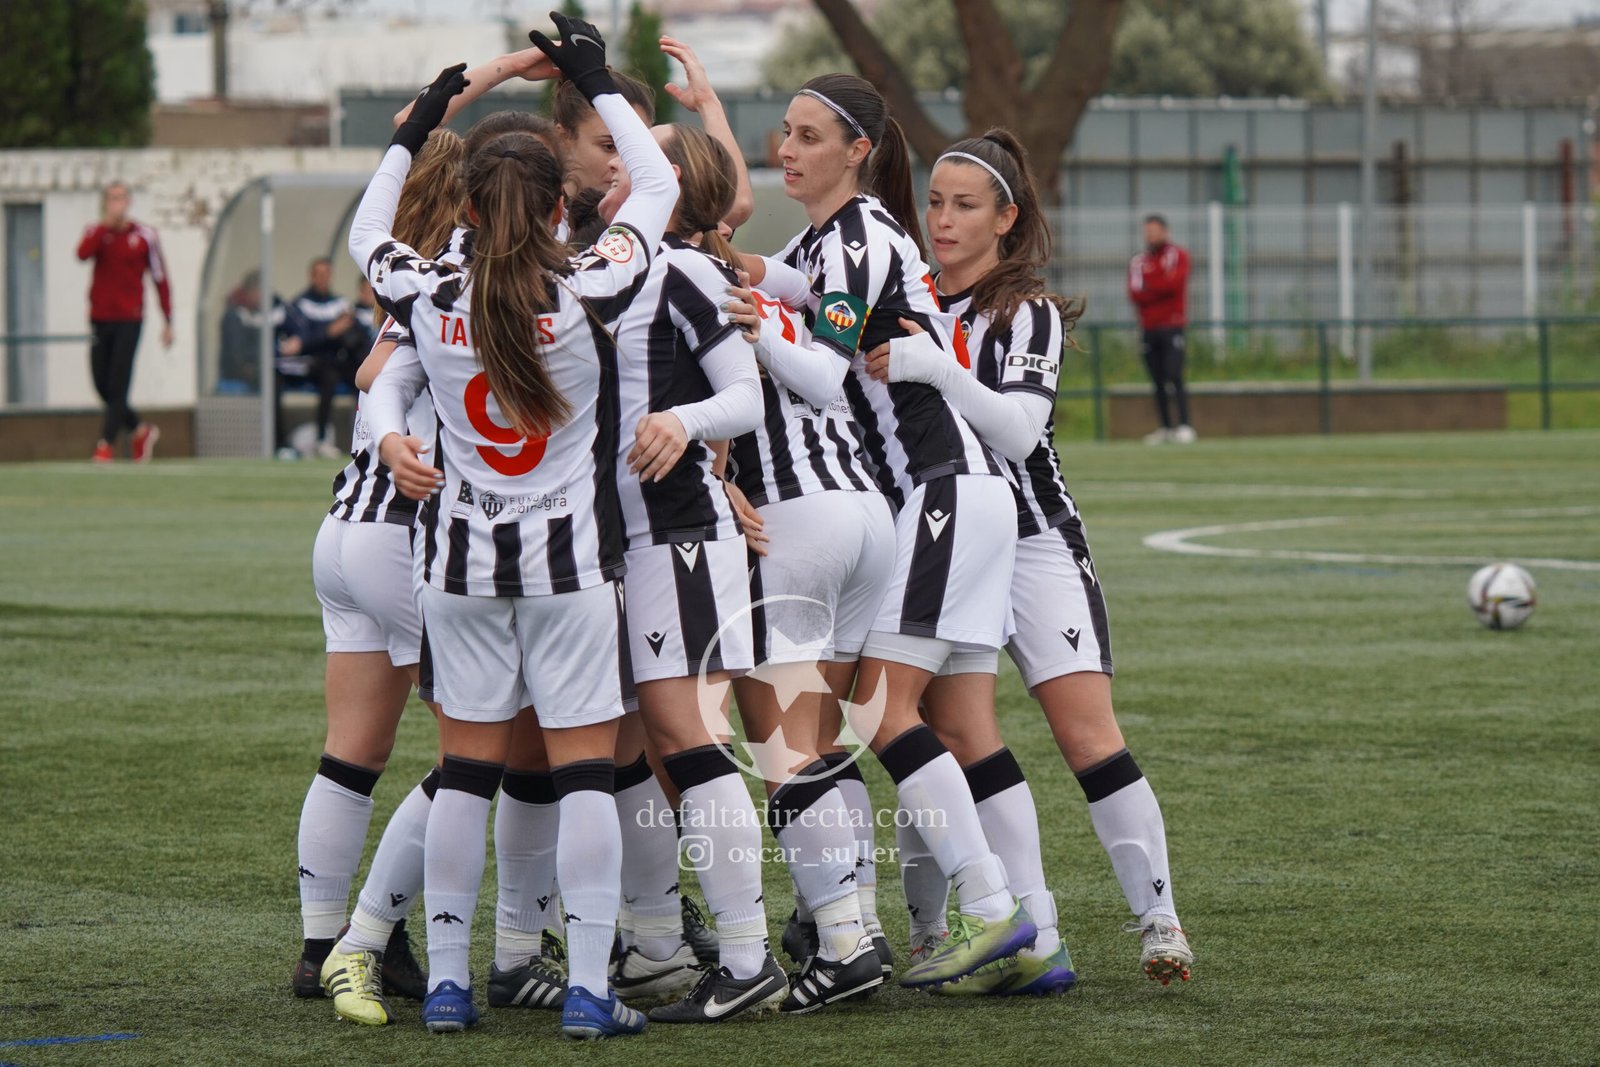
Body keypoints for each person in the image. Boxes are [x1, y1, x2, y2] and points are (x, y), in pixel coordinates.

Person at [340, 15, 679, 1040]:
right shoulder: (588, 287)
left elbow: (366, 234)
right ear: (559, 202)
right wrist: (593, 79)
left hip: (457, 564)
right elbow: (658, 188)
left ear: (472, 209)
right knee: (582, 775)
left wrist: (421, 122)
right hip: (569, 565)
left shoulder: (429, 288)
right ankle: (584, 986)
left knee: (466, 776)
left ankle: (447, 984)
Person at [724, 72, 1036, 990]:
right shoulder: (832, 239)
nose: (787, 147)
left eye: (809, 135)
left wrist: (754, 332)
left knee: (877, 716)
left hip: (942, 488)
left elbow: (823, 375)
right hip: (937, 498)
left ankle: (983, 905)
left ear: (858, 151)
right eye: (783, 131)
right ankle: (877, 927)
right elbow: (768, 266)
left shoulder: (858, 237)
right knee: (911, 720)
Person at [872, 130, 1193, 988]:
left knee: (1086, 735)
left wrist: (934, 365)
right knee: (941, 734)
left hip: (1034, 540)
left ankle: (1158, 918)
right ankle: (986, 930)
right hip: (940, 537)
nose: (942, 219)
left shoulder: (1027, 312)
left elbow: (1017, 431)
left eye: (965, 204)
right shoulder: (906, 296)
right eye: (935, 201)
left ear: (1007, 219)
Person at [290, 127, 463, 1019]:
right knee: (481, 749)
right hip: (405, 532)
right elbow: (374, 368)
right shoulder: (453, 274)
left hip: (344, 530)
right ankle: (371, 932)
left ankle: (320, 938)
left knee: (352, 752)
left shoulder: (407, 266)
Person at [76, 180, 172, 463]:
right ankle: (140, 429)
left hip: (130, 319)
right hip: (100, 318)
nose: (117, 203)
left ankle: (106, 444)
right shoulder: (96, 231)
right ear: (106, 203)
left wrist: (168, 319)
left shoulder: (145, 235)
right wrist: (106, 225)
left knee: (119, 383)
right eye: (111, 198)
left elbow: (160, 278)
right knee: (102, 385)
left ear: (128, 201)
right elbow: (82, 254)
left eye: (121, 198)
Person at [1127, 214, 1194, 444]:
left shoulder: (1178, 255)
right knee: (1156, 379)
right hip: (1148, 327)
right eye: (1147, 232)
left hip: (1172, 325)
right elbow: (1135, 293)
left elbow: (1174, 285)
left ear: (1165, 231)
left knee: (1174, 374)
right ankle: (1165, 427)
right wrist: (1158, 285)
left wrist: (1152, 286)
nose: (1151, 235)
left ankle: (1184, 425)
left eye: (1154, 231)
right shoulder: (1138, 261)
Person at [285, 257, 362, 457]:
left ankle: (361, 438)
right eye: (319, 274)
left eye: (327, 274)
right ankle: (321, 438)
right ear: (311, 276)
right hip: (312, 363)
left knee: (361, 379)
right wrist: (329, 331)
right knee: (329, 379)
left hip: (339, 360)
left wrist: (337, 332)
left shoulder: (340, 304)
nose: (323, 278)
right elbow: (302, 341)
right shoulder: (299, 304)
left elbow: (351, 334)